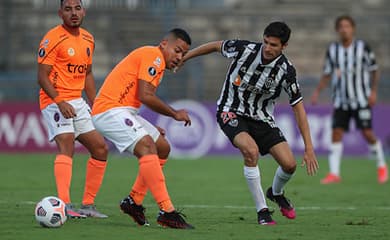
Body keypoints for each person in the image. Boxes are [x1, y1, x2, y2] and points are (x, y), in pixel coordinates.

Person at [179, 22, 319, 225]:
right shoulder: (244, 49)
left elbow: (299, 109)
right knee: (251, 151)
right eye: (266, 42)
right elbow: (215, 46)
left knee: (289, 165)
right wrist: (187, 56)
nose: (268, 48)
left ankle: (276, 193)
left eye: (274, 45)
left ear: (284, 46)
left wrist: (309, 147)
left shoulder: (286, 71)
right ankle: (262, 210)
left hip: (261, 118)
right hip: (230, 110)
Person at [91, 28, 194, 229]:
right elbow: (146, 95)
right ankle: (167, 211)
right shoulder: (153, 56)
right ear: (164, 43)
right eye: (178, 50)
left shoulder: (155, 61)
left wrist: (146, 124)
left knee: (162, 147)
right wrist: (174, 113)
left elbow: (135, 99)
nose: (179, 57)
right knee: (147, 146)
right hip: (109, 111)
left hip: (124, 112)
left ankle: (134, 201)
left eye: (183, 54)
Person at [37, 0, 109, 218]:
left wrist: (95, 101)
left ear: (83, 11)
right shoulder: (52, 38)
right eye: (68, 9)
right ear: (61, 13)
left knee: (100, 149)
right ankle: (65, 205)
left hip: (77, 101)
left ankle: (88, 205)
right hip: (54, 100)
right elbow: (41, 76)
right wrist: (59, 101)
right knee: (66, 142)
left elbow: (87, 73)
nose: (73, 13)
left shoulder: (88, 38)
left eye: (77, 8)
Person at [311, 15, 388, 184]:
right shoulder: (333, 50)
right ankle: (334, 173)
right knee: (336, 133)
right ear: (337, 30)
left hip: (361, 100)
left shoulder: (363, 47)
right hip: (341, 100)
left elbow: (374, 69)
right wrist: (317, 91)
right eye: (341, 26)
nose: (344, 29)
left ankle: (382, 165)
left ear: (353, 29)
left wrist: (373, 92)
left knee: (367, 133)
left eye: (347, 26)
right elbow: (327, 73)